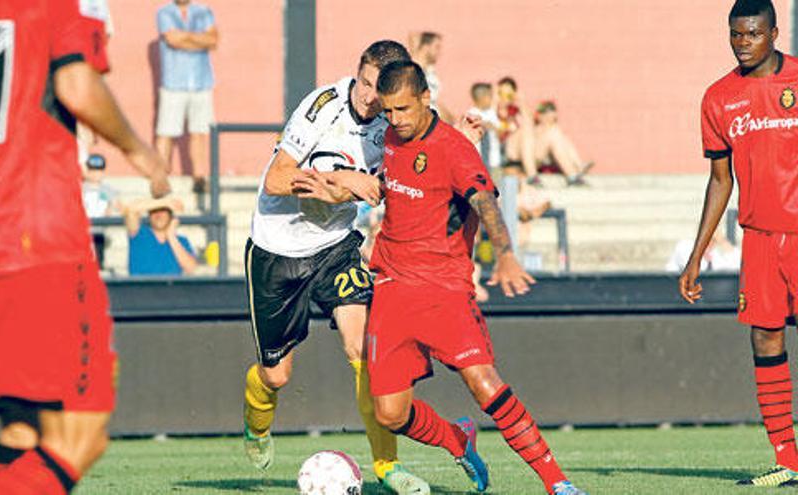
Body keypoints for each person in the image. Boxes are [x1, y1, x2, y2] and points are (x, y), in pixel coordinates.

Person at [0, 2, 170, 493]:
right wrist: (141, 153)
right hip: (35, 234)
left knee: (22, 429)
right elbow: (75, 84)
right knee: (82, 431)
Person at [362, 60, 587, 495]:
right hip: (392, 286)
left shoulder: (455, 149)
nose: (395, 120)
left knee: (484, 384)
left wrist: (505, 254)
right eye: (388, 111)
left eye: (403, 109)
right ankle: (456, 439)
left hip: (445, 289)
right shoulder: (390, 135)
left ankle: (557, 482)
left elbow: (484, 203)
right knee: (390, 414)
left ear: (427, 98)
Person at [242, 40, 431, 495]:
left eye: (378, 89)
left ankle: (387, 467)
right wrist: (343, 182)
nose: (368, 96)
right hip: (277, 249)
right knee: (276, 375)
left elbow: (415, 171)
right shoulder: (322, 107)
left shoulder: (395, 121)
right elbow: (276, 178)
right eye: (364, 82)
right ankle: (257, 420)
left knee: (363, 349)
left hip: (335, 248)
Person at [680, 0, 798, 487]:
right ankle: (788, 458)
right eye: (735, 35)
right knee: (765, 336)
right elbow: (719, 180)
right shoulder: (718, 97)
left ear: (773, 33)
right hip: (759, 237)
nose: (742, 43)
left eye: (751, 34)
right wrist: (696, 255)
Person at [155, 0, 219, 191]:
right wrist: (200, 40)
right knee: (166, 131)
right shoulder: (164, 12)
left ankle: (199, 177)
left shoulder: (204, 11)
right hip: (174, 82)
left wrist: (185, 39)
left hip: (201, 81)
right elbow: (172, 40)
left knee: (200, 132)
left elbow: (213, 40)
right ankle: (161, 176)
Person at [125, 197, 197, 276]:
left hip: (170, 287)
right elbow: (130, 209)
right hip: (141, 287)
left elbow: (191, 269)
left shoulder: (181, 241)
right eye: (154, 211)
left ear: (170, 215)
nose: (158, 215)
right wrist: (165, 202)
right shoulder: (139, 234)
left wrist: (171, 237)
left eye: (163, 210)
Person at [534, 101, 593, 186]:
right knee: (555, 133)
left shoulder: (554, 130)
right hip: (538, 160)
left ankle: (578, 165)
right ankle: (573, 173)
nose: (552, 115)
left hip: (550, 159)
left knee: (561, 137)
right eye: (548, 112)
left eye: (553, 111)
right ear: (541, 115)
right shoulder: (537, 129)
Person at [82, 154, 121, 269]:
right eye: (92, 171)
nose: (95, 174)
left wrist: (111, 210)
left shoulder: (108, 190)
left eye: (99, 171)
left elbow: (116, 205)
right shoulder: (80, 188)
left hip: (99, 231)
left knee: (98, 258)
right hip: (83, 231)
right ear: (87, 171)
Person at [409, 31, 455, 123]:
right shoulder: (412, 70)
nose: (440, 52)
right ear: (426, 48)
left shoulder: (431, 72)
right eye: (437, 47)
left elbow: (434, 101)